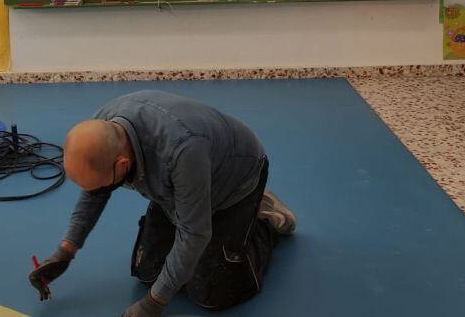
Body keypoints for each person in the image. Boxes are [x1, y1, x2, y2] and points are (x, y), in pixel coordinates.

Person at [29, 90, 295, 315]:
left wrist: (153, 304)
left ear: (122, 165)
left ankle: (262, 218)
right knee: (147, 272)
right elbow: (93, 193)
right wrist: (65, 252)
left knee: (212, 294)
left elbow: (194, 233)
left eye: (101, 185)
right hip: (180, 185)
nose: (95, 191)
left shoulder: (181, 149)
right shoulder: (103, 127)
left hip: (234, 179)